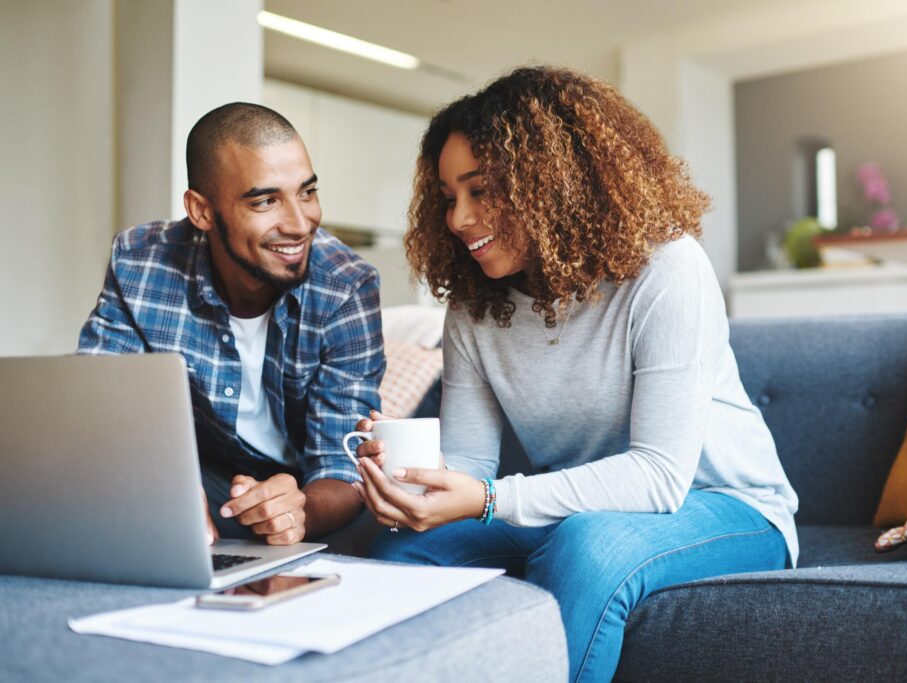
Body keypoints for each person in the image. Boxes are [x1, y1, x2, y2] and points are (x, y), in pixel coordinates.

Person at [352, 67, 799, 682]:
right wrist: (410, 481)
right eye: (449, 197)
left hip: (726, 506)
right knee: (405, 548)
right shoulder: (474, 307)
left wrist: (491, 500)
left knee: (589, 547)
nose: (458, 218)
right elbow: (471, 464)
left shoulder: (667, 270)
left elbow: (660, 477)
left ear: (551, 182)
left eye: (481, 190)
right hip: (578, 512)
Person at [78, 102, 384, 546]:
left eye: (307, 192)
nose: (301, 224)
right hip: (205, 475)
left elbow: (342, 463)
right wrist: (167, 487)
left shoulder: (346, 286)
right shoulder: (142, 262)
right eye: (265, 201)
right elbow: (99, 408)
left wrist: (298, 512)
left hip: (310, 486)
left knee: (372, 518)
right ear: (201, 211)